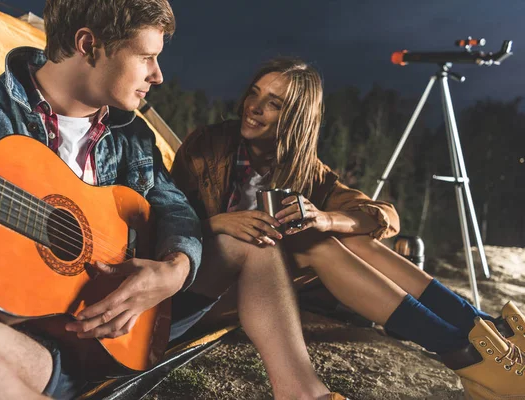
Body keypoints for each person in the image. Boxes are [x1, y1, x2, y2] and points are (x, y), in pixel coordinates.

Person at [170, 57, 525, 400]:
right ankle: (463, 351)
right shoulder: (209, 147)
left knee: (339, 236)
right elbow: (166, 222)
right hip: (202, 283)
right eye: (254, 93)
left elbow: (382, 216)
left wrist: (325, 218)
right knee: (317, 245)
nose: (254, 107)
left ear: (296, 117)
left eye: (273, 103)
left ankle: (482, 329)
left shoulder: (308, 172)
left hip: (264, 293)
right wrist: (219, 224)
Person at [0, 1, 203, 399]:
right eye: (146, 57)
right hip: (18, 341)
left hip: (111, 343)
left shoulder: (133, 137)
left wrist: (173, 271)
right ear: (89, 44)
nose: (157, 75)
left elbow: (177, 211)